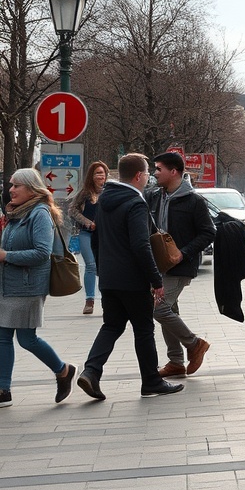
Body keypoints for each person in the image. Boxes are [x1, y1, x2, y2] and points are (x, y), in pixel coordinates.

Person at [77, 154, 184, 400]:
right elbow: (140, 245)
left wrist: (103, 270)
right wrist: (156, 280)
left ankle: (91, 371)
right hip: (133, 280)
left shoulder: (105, 200)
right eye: (147, 173)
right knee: (144, 329)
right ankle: (151, 381)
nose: (148, 177)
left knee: (112, 325)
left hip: (110, 279)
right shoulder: (135, 203)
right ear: (138, 176)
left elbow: (96, 239)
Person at [0, 169, 77, 408]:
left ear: (32, 189)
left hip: (28, 286)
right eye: (11, 185)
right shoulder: (17, 213)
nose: (10, 190)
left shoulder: (40, 213)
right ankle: (3, 389)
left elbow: (43, 253)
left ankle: (63, 370)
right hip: (7, 284)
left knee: (27, 339)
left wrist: (6, 256)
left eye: (16, 186)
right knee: (2, 337)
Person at [147, 152, 216, 379]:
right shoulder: (155, 196)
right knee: (170, 310)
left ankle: (195, 344)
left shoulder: (194, 201)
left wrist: (183, 254)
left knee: (159, 308)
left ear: (173, 171)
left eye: (158, 169)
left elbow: (208, 232)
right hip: (158, 265)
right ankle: (176, 362)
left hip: (180, 266)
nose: (154, 173)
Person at [68, 161, 108, 314]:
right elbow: (72, 210)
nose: (100, 176)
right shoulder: (85, 192)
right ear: (91, 175)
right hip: (86, 234)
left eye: (102, 172)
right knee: (90, 265)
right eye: (97, 173)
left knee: (104, 267)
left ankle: (107, 300)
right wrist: (87, 222)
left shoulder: (109, 191)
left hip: (104, 236)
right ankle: (89, 300)